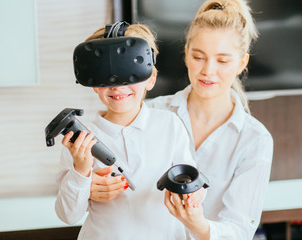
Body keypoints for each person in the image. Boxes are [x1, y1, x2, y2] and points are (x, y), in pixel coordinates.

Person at [54, 22, 200, 240]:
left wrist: (189, 194)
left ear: (151, 78)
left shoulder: (169, 125)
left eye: (129, 73)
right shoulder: (81, 141)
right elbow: (67, 215)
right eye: (106, 75)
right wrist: (82, 173)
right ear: (94, 82)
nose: (116, 85)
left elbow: (193, 185)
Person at [146, 0, 274, 239]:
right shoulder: (150, 113)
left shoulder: (254, 140)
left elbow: (239, 231)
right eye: (199, 57)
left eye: (223, 61)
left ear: (241, 63)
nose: (208, 70)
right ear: (185, 54)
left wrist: (199, 225)